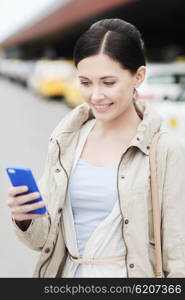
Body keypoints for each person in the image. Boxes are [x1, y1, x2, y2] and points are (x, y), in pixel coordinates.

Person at [7, 18, 185, 278]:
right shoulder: (66, 140)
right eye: (86, 82)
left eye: (108, 82)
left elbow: (178, 254)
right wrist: (25, 217)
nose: (96, 95)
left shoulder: (167, 149)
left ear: (138, 76)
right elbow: (43, 241)